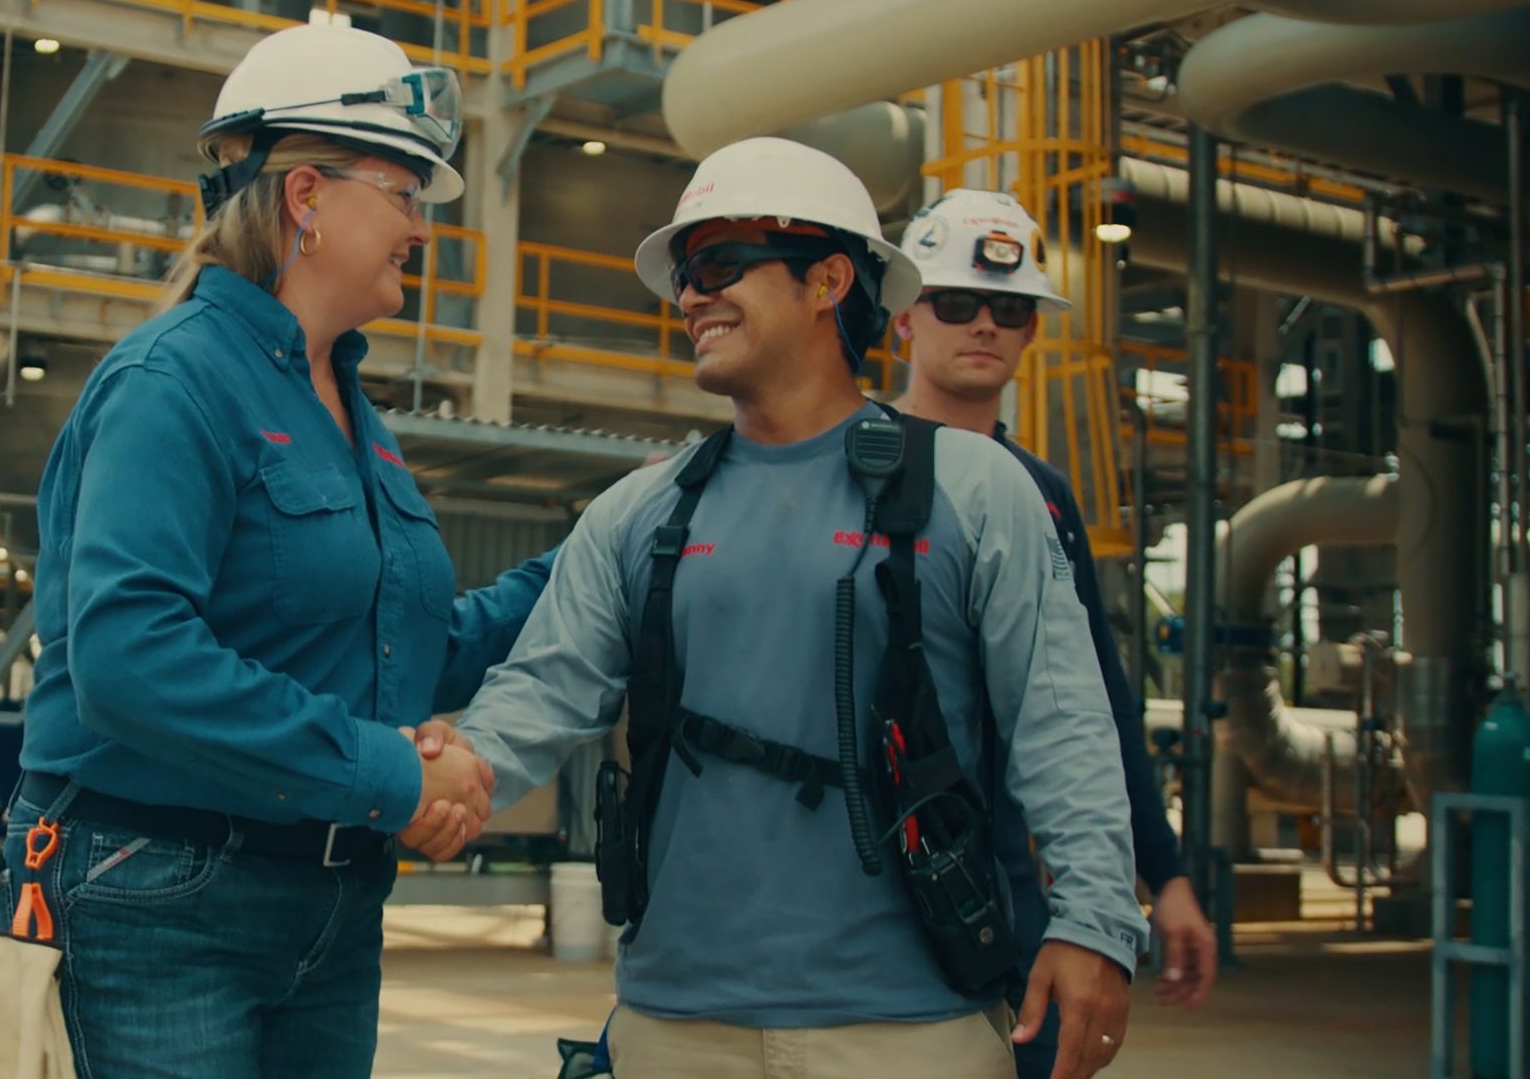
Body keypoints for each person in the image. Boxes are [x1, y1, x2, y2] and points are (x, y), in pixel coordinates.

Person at [417, 138, 1147, 1079]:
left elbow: (1062, 722)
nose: (690, 296)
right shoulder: (640, 512)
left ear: (829, 279)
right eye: (685, 273)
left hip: (910, 1031)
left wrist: (1097, 920)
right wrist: (445, 770)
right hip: (675, 1026)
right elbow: (542, 692)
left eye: (720, 263)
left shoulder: (975, 489)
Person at [0, 24, 554, 1078]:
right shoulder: (176, 383)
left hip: (330, 901)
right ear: (305, 197)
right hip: (158, 894)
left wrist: (603, 555)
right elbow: (131, 656)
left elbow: (407, 649)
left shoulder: (348, 407)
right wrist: (390, 768)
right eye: (404, 192)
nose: (420, 228)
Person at [890, 188, 1218, 1079]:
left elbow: (1096, 704)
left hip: (1001, 874)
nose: (984, 325)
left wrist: (1164, 873)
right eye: (956, 304)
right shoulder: (844, 473)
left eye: (1010, 309)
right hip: (864, 876)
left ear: (1033, 330)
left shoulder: (1043, 496)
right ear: (903, 322)